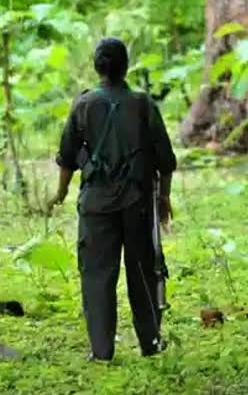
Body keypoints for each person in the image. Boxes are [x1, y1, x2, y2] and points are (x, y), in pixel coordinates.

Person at [47, 38, 177, 361]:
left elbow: (67, 157)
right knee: (144, 272)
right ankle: (150, 343)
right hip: (138, 203)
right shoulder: (143, 104)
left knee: (96, 275)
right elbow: (165, 158)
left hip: (96, 205)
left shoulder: (83, 105)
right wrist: (164, 198)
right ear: (126, 66)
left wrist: (61, 193)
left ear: (97, 67)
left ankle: (101, 351)